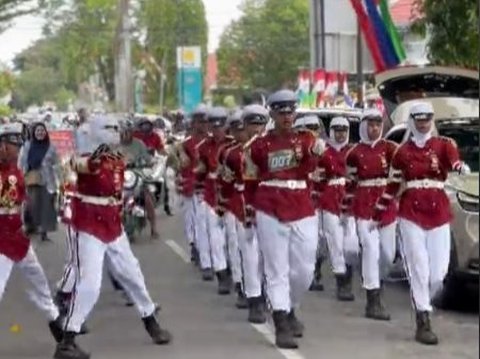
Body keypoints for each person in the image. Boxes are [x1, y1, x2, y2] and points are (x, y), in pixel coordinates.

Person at [53, 115, 171, 359]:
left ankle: (151, 321)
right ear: (95, 133)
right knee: (90, 284)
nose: (114, 132)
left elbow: (128, 176)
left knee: (133, 275)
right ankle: (67, 340)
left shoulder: (117, 159)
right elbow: (78, 166)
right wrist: (94, 156)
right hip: (88, 226)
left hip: (114, 225)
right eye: (108, 129)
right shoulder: (83, 158)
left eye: (115, 128)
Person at [376, 102, 469, 345]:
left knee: (438, 273)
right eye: (418, 118)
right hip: (410, 212)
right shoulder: (402, 152)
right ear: (412, 121)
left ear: (432, 119)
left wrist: (459, 167)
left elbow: (454, 162)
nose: (423, 123)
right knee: (418, 267)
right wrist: (380, 209)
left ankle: (424, 302)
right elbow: (393, 184)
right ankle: (423, 317)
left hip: (438, 210)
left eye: (427, 118)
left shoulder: (444, 145)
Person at [248, 90, 325, 349]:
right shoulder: (259, 145)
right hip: (269, 205)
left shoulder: (306, 139)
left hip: (301, 204)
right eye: (281, 112)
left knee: (305, 269)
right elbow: (250, 179)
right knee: (276, 269)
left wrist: (314, 154)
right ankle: (281, 320)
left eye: (291, 111)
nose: (287, 116)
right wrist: (249, 211)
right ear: (272, 113)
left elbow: (310, 170)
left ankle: (290, 306)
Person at [0, 123, 64, 346]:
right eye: (11, 146)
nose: (16, 151)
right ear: (2, 147)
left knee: (40, 284)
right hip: (1, 241)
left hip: (18, 239)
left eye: (18, 146)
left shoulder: (15, 171)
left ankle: (63, 338)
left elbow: (20, 202)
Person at [345, 109, 398, 321]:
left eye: (378, 124)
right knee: (370, 249)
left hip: (386, 204)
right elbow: (350, 184)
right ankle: (372, 299)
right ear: (363, 126)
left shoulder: (391, 149)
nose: (375, 128)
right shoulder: (354, 153)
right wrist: (346, 211)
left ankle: (377, 279)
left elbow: (399, 178)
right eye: (371, 124)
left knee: (387, 253)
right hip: (364, 204)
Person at [219, 104, 269, 323]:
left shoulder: (272, 147)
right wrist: (223, 206)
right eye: (250, 125)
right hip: (241, 204)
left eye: (260, 124)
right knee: (248, 253)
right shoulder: (230, 154)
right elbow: (227, 184)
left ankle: (267, 293)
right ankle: (252, 297)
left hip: (269, 204)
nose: (255, 129)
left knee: (267, 255)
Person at [318, 117, 358, 301]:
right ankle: (342, 282)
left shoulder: (354, 151)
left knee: (351, 243)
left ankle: (348, 273)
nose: (340, 134)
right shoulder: (324, 153)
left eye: (344, 130)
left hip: (351, 199)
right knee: (335, 241)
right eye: (337, 130)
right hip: (329, 198)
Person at [195, 107, 235, 294]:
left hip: (232, 195)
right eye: (214, 126)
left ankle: (238, 277)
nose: (218, 130)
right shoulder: (203, 146)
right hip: (212, 194)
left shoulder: (233, 144)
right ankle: (222, 275)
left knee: (233, 239)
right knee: (215, 238)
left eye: (221, 126)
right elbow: (201, 171)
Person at [217, 109, 247, 310]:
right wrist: (222, 203)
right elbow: (224, 181)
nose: (241, 134)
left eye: (243, 129)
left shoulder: (263, 148)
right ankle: (240, 285)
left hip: (262, 200)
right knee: (235, 245)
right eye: (236, 130)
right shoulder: (228, 152)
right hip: (236, 200)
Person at [176, 106, 209, 266]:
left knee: (205, 223)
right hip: (191, 185)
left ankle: (207, 253)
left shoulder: (212, 141)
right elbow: (177, 156)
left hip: (208, 186)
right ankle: (194, 246)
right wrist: (181, 156)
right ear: (194, 122)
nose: (202, 124)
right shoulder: (186, 144)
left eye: (204, 121)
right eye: (199, 121)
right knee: (191, 219)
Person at [19, 122, 60, 241]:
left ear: (46, 132)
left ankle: (44, 232)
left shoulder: (51, 147)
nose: (40, 133)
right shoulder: (27, 145)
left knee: (47, 207)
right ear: (34, 133)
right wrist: (23, 173)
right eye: (38, 131)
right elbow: (22, 161)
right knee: (31, 206)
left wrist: (58, 180)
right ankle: (30, 227)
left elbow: (56, 163)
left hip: (47, 180)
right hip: (31, 180)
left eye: (42, 131)